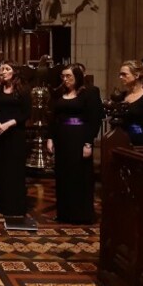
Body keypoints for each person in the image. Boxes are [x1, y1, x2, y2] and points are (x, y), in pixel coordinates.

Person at [46, 64, 97, 224]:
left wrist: (88, 143)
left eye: (69, 76)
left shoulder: (88, 93)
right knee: (63, 175)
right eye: (63, 76)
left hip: (79, 137)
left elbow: (94, 120)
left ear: (77, 77)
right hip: (62, 138)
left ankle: (80, 214)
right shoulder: (60, 93)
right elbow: (53, 118)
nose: (65, 79)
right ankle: (64, 213)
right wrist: (50, 138)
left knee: (79, 175)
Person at [0, 61, 31, 216]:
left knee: (14, 169)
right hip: (0, 134)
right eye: (2, 69)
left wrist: (8, 124)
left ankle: (15, 205)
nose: (3, 72)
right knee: (0, 168)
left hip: (15, 134)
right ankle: (1, 204)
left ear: (14, 71)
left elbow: (26, 113)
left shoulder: (23, 90)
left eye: (7, 69)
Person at [118, 60, 143, 145]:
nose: (120, 77)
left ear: (136, 75)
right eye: (120, 74)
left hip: (139, 145)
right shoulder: (121, 96)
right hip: (120, 143)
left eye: (124, 74)